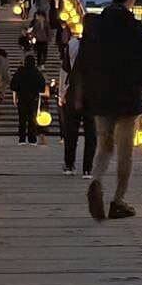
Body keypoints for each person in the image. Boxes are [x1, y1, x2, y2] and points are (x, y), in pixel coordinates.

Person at [74, 0, 142, 221]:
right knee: (125, 150)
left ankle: (96, 180)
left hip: (100, 95)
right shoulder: (136, 28)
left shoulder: (94, 25)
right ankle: (118, 200)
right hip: (128, 97)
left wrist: (80, 92)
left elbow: (83, 61)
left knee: (104, 145)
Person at [59, 31, 96, 177]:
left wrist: (62, 94)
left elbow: (65, 71)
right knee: (91, 133)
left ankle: (69, 165)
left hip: (73, 93)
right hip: (93, 94)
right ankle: (87, 169)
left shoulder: (73, 44)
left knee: (70, 131)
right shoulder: (100, 46)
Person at [11, 54, 47, 145]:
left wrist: (15, 98)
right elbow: (42, 86)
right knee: (32, 119)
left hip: (22, 98)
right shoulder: (37, 72)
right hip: (33, 99)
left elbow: (13, 85)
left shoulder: (20, 71)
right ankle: (32, 139)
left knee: (22, 119)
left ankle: (22, 139)